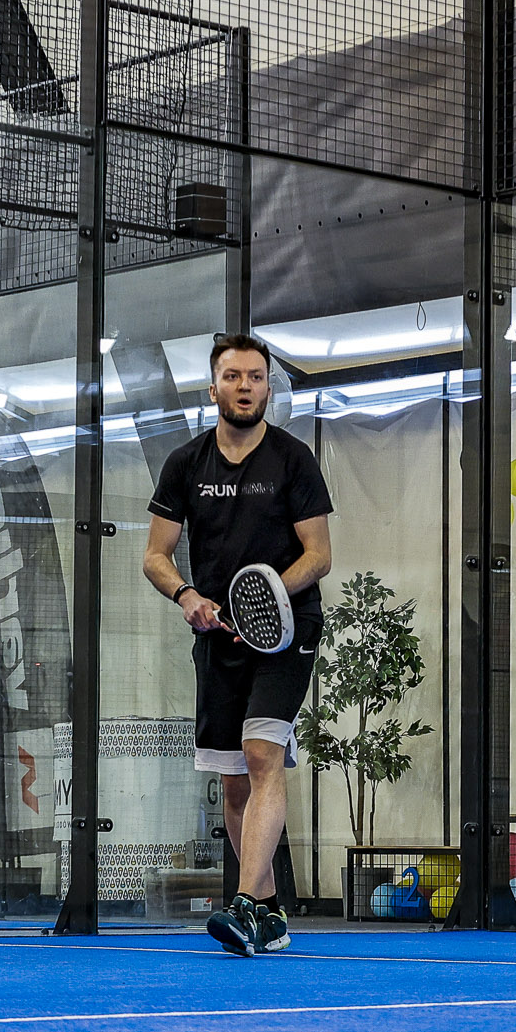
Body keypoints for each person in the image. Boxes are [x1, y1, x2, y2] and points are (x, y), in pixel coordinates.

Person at [142, 333, 333, 956]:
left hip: (287, 632)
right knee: (231, 782)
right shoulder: (184, 465)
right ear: (214, 386)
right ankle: (271, 910)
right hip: (217, 636)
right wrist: (187, 597)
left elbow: (319, 556)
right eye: (233, 376)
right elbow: (155, 556)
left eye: (255, 377)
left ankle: (246, 903)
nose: (244, 386)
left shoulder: (294, 459)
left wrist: (273, 592)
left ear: (268, 388)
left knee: (260, 755)